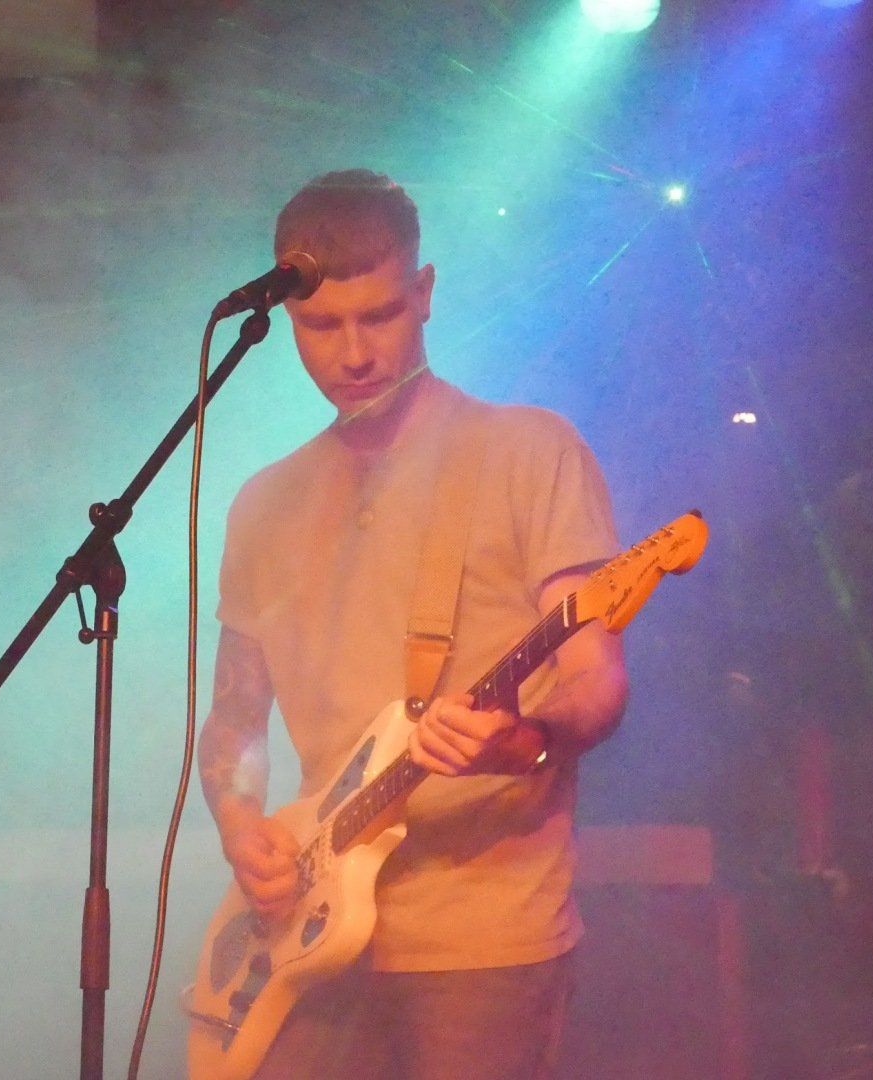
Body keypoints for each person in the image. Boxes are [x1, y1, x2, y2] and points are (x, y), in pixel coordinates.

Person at [198, 170, 629, 1079]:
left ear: (425, 294)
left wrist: (525, 740)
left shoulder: (526, 451)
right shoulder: (261, 503)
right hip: (304, 940)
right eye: (322, 326)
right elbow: (236, 721)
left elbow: (596, 678)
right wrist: (240, 824)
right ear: (285, 320)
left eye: (381, 316)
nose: (354, 352)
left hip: (483, 941)